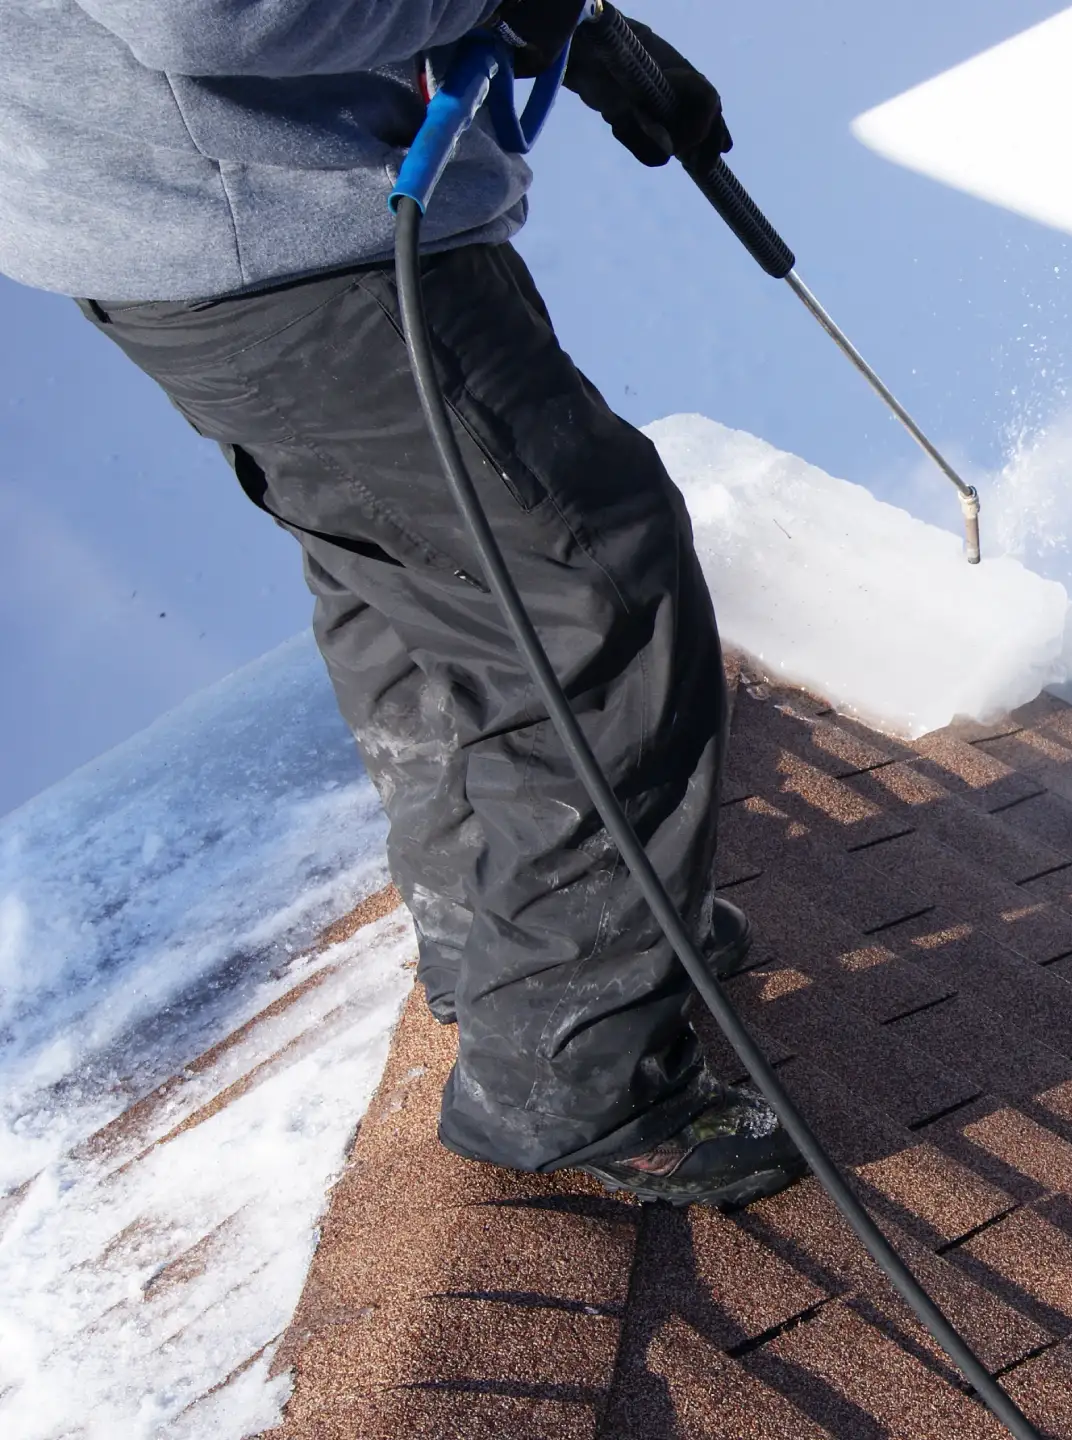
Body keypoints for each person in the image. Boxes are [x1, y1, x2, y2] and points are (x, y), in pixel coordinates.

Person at [0, 1, 803, 1208]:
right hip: (282, 237)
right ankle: (573, 1075)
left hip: (201, 222)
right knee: (589, 589)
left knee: (429, 574)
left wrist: (570, 29)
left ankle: (515, 951)